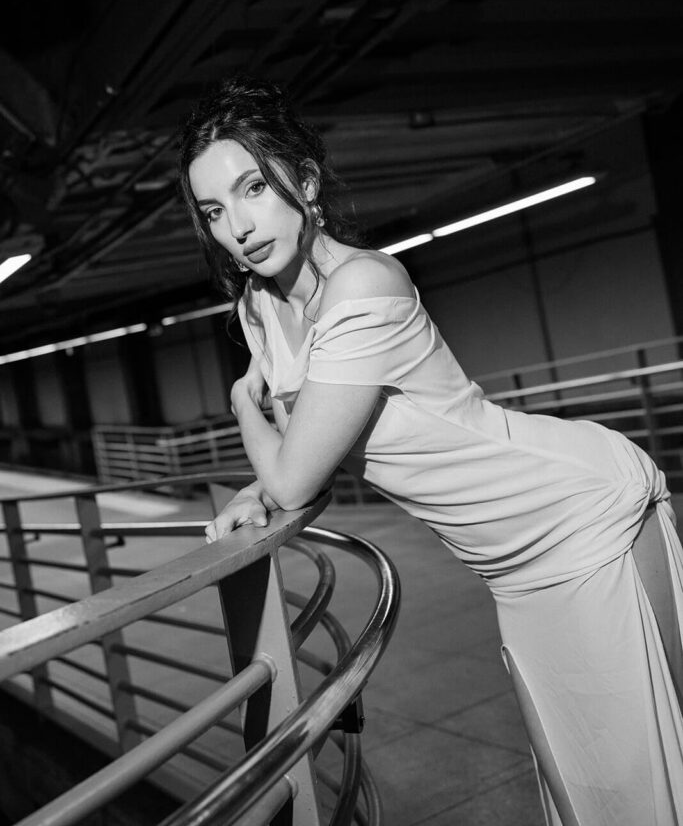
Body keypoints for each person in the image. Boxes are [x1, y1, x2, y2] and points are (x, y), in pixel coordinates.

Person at [178, 73, 683, 826]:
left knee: (646, 779)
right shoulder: (256, 306)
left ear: (305, 182)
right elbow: (303, 452)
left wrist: (242, 411)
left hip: (583, 517)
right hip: (508, 566)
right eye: (215, 211)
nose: (238, 226)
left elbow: (290, 475)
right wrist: (260, 484)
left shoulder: (364, 286)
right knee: (582, 785)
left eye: (253, 187)